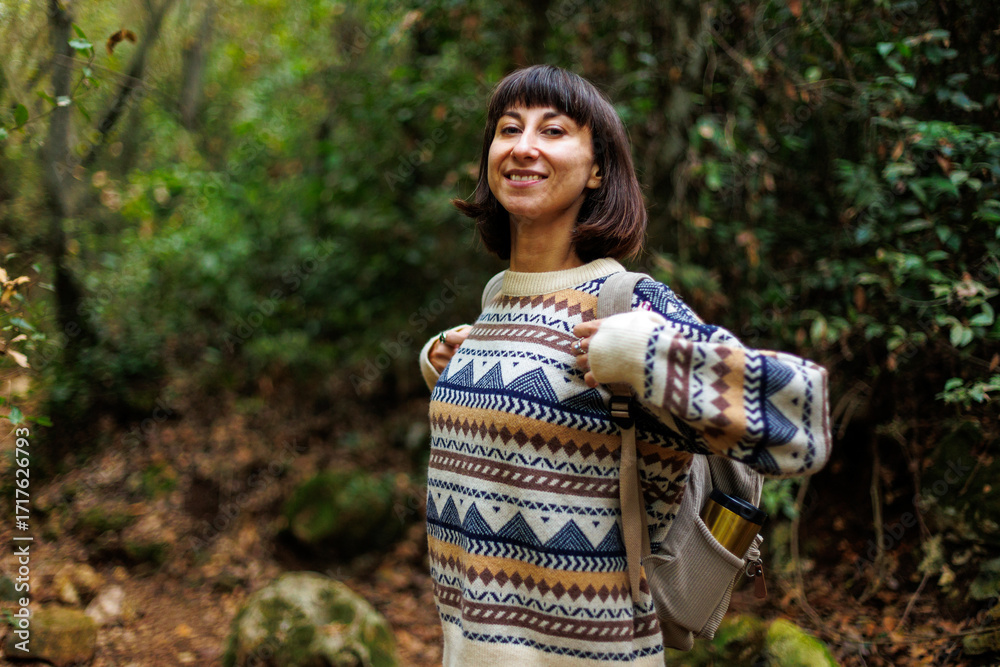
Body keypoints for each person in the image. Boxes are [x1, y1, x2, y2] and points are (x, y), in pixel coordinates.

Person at [418, 64, 831, 666]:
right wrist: (446, 367)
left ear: (597, 170)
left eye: (553, 130)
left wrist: (647, 355)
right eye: (508, 129)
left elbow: (799, 425)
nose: (523, 146)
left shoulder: (631, 305)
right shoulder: (497, 300)